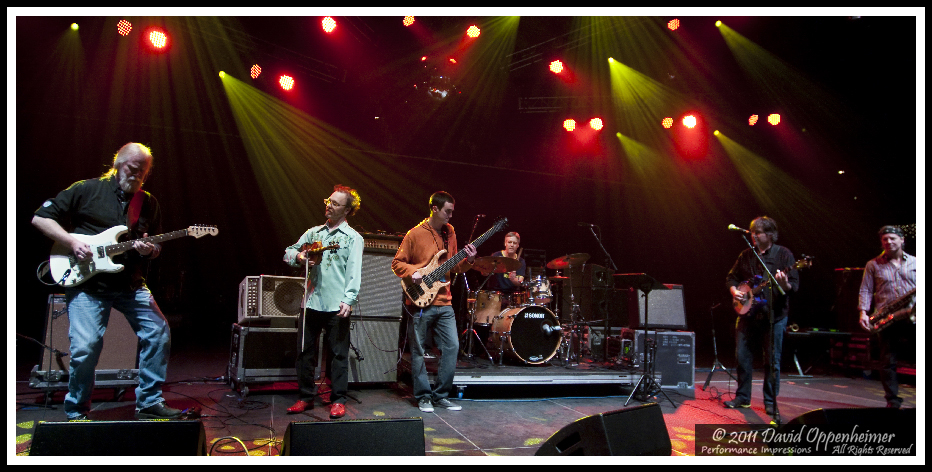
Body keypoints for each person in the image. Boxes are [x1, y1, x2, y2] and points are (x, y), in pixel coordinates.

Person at [31, 142, 181, 421]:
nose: (137, 177)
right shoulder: (86, 189)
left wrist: (150, 249)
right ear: (118, 164)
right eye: (133, 169)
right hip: (88, 284)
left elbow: (155, 246)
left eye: (143, 173)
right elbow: (41, 218)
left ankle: (149, 402)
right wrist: (71, 242)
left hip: (130, 283)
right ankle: (76, 410)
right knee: (86, 347)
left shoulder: (148, 203)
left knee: (158, 332)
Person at [283, 185, 363, 419]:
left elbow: (354, 271)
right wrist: (299, 256)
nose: (329, 205)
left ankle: (338, 399)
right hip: (310, 301)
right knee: (305, 352)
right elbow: (288, 252)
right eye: (329, 200)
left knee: (338, 354)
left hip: (336, 303)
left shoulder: (352, 238)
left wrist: (349, 299)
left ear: (347, 210)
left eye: (335, 203)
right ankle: (305, 397)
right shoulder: (313, 233)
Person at [392, 191, 477, 412]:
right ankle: (422, 396)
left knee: (452, 347)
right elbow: (397, 264)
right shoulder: (414, 234)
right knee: (418, 350)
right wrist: (414, 272)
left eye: (452, 211)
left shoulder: (450, 233)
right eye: (447, 211)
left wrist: (470, 260)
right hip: (420, 300)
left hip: (444, 300)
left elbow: (455, 266)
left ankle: (440, 395)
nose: (450, 215)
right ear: (435, 209)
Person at [724, 216, 799, 417]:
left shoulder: (784, 255)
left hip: (774, 315)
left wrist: (784, 285)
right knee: (742, 356)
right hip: (748, 314)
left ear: (770, 234)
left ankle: (770, 401)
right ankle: (742, 397)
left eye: (759, 232)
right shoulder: (746, 255)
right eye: (753, 232)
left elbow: (794, 286)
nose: (754, 236)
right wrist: (734, 291)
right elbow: (732, 277)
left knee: (772, 361)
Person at [857, 225, 916, 409]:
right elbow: (866, 289)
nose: (888, 242)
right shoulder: (873, 264)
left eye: (892, 238)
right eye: (885, 239)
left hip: (914, 315)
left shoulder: (917, 262)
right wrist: (863, 312)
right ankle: (892, 400)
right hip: (887, 317)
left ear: (902, 240)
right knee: (887, 360)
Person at [483, 232, 526, 296]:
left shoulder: (521, 261)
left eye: (514, 243)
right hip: (495, 294)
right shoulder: (496, 256)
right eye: (509, 242)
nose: (511, 245)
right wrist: (484, 270)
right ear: (505, 243)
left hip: (512, 295)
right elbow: (485, 273)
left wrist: (513, 279)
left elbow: (519, 282)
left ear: (518, 245)